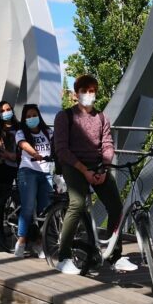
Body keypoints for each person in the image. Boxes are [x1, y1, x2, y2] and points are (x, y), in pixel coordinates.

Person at [52, 75, 136, 275]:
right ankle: (63, 256)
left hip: (98, 167)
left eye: (92, 91)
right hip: (73, 166)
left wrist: (104, 168)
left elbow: (107, 144)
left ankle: (115, 255)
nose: (88, 95)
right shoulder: (64, 117)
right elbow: (62, 149)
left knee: (116, 206)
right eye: (84, 91)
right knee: (77, 204)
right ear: (76, 93)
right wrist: (85, 171)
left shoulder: (102, 118)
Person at [13, 104, 54, 259]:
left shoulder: (48, 132)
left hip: (46, 173)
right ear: (24, 118)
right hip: (28, 171)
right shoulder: (21, 132)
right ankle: (21, 241)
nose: (31, 118)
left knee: (45, 210)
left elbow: (56, 146)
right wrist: (35, 153)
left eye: (34, 115)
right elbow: (23, 144)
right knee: (28, 207)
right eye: (28, 116)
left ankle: (39, 242)